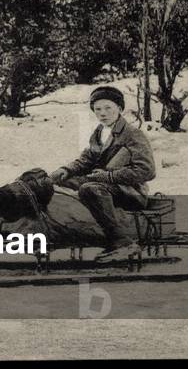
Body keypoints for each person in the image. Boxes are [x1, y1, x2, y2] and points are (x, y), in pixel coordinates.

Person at [48, 86, 156, 263]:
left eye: (108, 108)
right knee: (61, 183)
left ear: (119, 108)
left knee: (90, 189)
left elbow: (147, 170)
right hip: (104, 185)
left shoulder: (133, 134)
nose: (102, 113)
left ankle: (122, 242)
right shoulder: (99, 132)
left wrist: (109, 176)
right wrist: (66, 170)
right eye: (97, 109)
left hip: (130, 192)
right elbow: (87, 160)